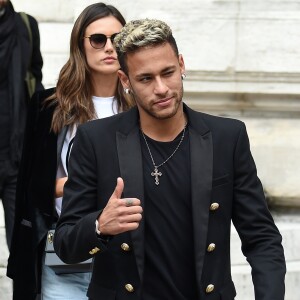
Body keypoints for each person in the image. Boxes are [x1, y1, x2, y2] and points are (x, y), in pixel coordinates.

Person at [54, 19, 286, 300]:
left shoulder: (227, 137)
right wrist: (99, 226)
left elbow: (262, 237)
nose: (162, 88)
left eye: (168, 72)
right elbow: (66, 245)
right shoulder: (96, 140)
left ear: (182, 65)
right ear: (126, 81)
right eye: (146, 78)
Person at [7, 3, 133, 300]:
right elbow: (28, 189)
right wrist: (75, 185)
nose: (109, 47)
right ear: (80, 45)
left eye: (118, 38)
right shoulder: (50, 107)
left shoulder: (143, 107)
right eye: (98, 39)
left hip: (126, 250)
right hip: (64, 247)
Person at [0, 0, 43, 250]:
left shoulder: (26, 26)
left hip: (17, 156)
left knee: (21, 245)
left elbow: (34, 77)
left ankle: (23, 291)